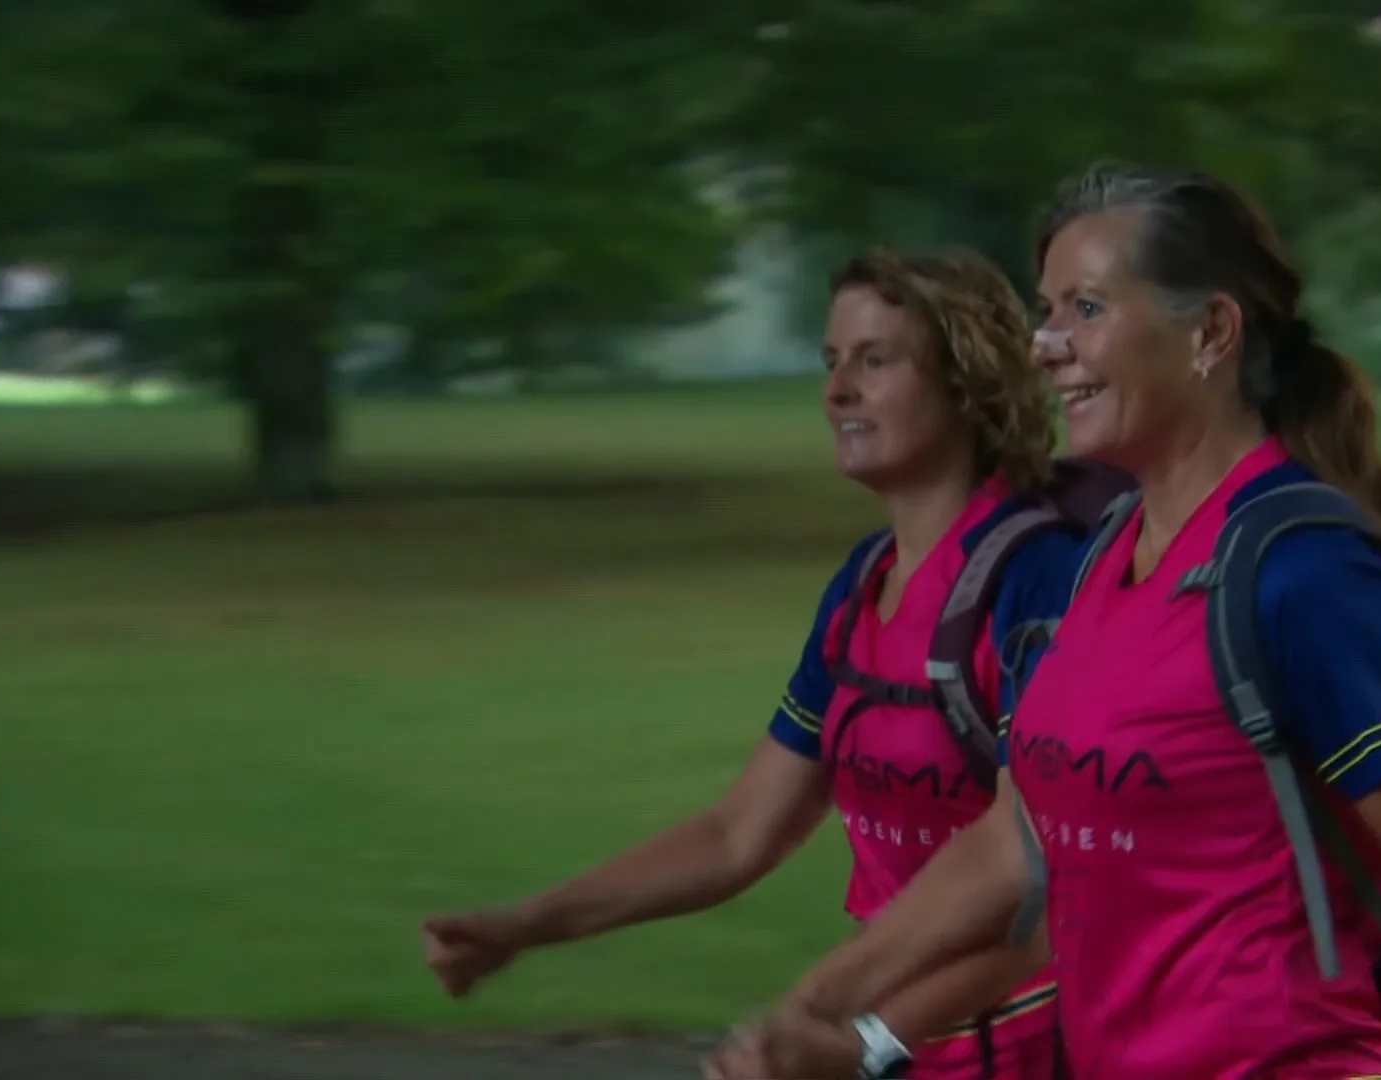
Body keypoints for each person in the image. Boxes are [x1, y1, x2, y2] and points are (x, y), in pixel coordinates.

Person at [707, 162, 1381, 1080]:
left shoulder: (1308, 570)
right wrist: (828, 1015)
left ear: (1211, 332)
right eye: (1048, 309)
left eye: (1087, 309)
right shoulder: (1106, 552)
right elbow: (1019, 835)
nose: (1044, 346)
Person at [421, 248, 1094, 1080]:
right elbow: (740, 833)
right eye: (830, 362)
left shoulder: (1045, 584)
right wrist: (527, 925)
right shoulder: (863, 587)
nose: (837, 390)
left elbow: (1037, 881)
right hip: (878, 1043)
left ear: (967, 383)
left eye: (875, 360)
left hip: (1038, 1048)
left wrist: (838, 1019)